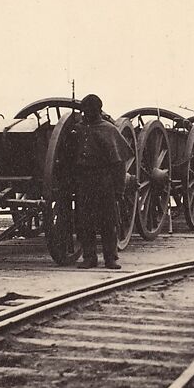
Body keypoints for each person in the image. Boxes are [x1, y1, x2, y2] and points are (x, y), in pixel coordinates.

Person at [70, 93, 133, 270]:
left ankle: (110, 258)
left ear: (98, 110)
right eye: (84, 111)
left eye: (90, 110)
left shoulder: (109, 130)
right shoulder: (78, 129)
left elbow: (119, 163)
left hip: (105, 180)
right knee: (85, 221)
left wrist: (119, 190)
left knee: (109, 221)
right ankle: (89, 257)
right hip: (84, 180)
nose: (86, 113)